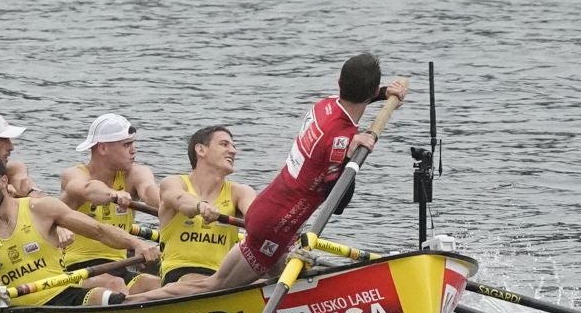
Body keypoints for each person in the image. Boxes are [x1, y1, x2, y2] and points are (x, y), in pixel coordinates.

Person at [142, 54, 409, 299]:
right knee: (214, 286)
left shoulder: (325, 106)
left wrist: (386, 94)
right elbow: (336, 204)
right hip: (279, 228)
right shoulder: (340, 140)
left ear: (339, 83)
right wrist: (352, 158)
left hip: (268, 211)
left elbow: (354, 101)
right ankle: (130, 303)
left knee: (281, 280)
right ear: (371, 91)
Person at [0, 155, 158, 306]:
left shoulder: (41, 208)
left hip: (60, 293)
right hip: (16, 306)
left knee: (115, 300)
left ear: (3, 182)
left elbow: (99, 231)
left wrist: (137, 243)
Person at [152, 124, 256, 284]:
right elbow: (179, 199)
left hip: (221, 276)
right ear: (200, 150)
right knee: (194, 279)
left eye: (234, 146)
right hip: (178, 274)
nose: (233, 151)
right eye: (224, 144)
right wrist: (200, 206)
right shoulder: (174, 183)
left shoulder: (240, 192)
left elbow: (257, 216)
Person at [59, 113, 161, 272]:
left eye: (133, 144)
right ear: (103, 148)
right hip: (75, 266)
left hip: (117, 264)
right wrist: (113, 194)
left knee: (152, 284)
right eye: (126, 145)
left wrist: (179, 203)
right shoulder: (74, 174)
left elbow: (151, 194)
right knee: (114, 284)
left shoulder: (135, 174)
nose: (134, 151)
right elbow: (87, 189)